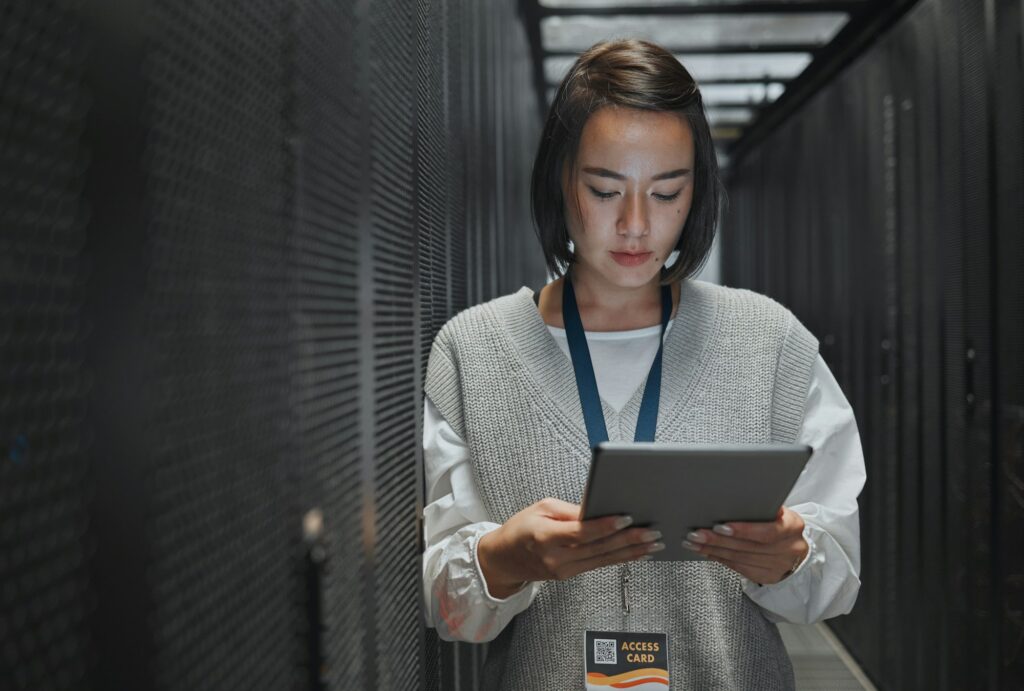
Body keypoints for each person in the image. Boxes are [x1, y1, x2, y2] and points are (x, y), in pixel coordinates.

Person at [421, 38, 865, 690]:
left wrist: (791, 557)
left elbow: (838, 578)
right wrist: (504, 558)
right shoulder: (474, 350)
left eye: (666, 193)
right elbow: (444, 607)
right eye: (605, 189)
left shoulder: (771, 343)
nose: (635, 225)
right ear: (560, 180)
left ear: (697, 192)